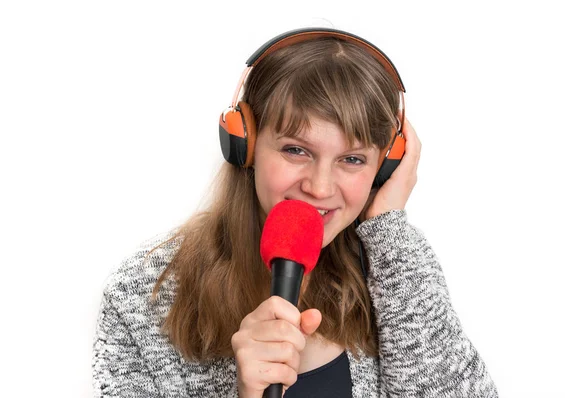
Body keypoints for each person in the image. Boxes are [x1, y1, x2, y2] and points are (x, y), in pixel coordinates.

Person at [92, 27, 498, 397]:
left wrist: (388, 229)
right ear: (244, 144)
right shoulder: (143, 296)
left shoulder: (395, 267)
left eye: (353, 159)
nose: (319, 187)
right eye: (296, 150)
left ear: (386, 166)